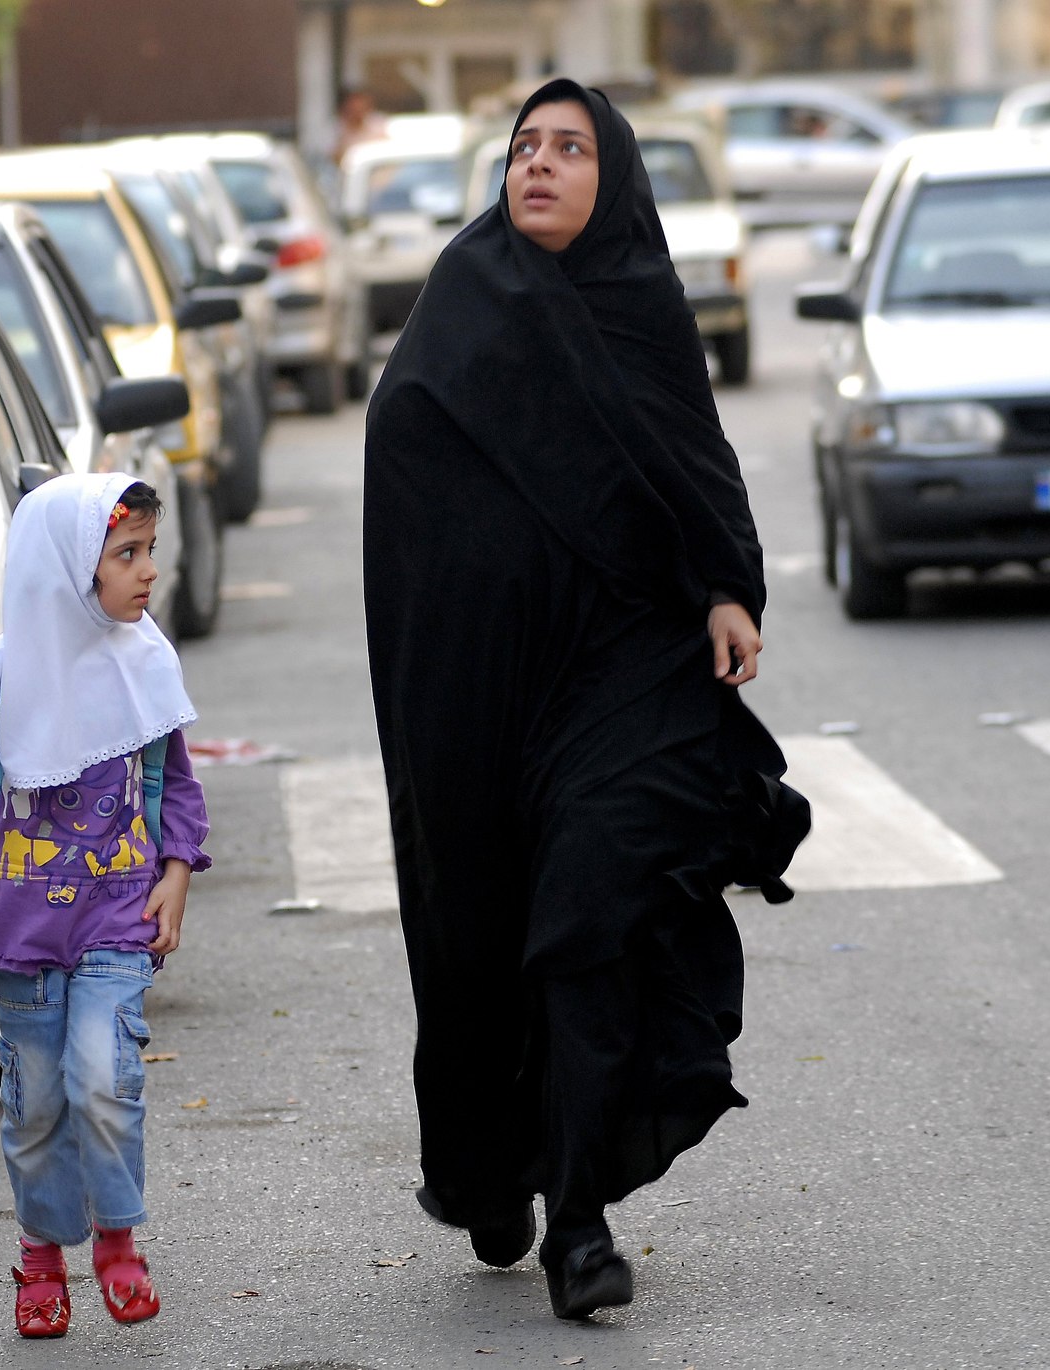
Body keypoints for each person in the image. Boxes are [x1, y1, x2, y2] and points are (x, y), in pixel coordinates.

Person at [363, 78, 808, 1322]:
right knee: (477, 931)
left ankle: (582, 1219)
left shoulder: (643, 302)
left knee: (587, 911)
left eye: (568, 147)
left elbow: (690, 455)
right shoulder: (465, 299)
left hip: (625, 671)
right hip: (481, 681)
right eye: (523, 147)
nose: (541, 165)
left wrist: (724, 584)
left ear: (612, 172)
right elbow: (402, 456)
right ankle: (485, 1172)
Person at [0, 472, 211, 1340]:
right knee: (36, 1098)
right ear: (65, 569)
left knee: (103, 1077)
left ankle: (117, 1240)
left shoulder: (146, 661)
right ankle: (42, 1256)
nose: (148, 571)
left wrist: (176, 871)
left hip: (117, 921)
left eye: (150, 550)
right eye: (126, 554)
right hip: (17, 934)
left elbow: (177, 791)